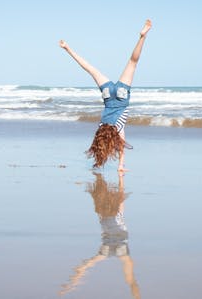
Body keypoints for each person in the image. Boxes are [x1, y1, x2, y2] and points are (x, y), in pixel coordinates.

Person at [60, 20, 152, 172]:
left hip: (122, 99)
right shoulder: (101, 125)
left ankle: (143, 37)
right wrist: (67, 48)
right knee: (90, 69)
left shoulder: (118, 126)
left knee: (133, 62)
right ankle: (68, 49)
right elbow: (103, 141)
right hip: (108, 96)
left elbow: (121, 145)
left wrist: (121, 165)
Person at [59, 173, 141, 298]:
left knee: (87, 264)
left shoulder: (100, 211)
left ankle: (71, 285)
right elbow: (121, 195)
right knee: (130, 278)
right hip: (119, 241)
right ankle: (137, 296)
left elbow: (112, 199)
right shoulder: (116, 208)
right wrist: (121, 179)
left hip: (107, 243)